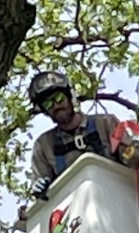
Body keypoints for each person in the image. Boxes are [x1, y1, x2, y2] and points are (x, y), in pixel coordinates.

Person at [28, 69, 120, 197]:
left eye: (59, 99)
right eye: (48, 104)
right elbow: (43, 199)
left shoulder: (105, 123)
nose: (56, 106)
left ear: (69, 97)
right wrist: (39, 190)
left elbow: (134, 162)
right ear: (44, 111)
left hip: (118, 196)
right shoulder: (44, 145)